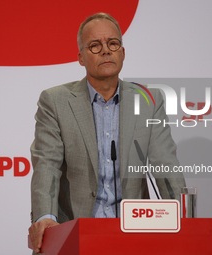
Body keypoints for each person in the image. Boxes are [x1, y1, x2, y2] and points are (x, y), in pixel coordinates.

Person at [29, 12, 186, 254]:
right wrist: (45, 217)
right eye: (95, 45)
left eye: (113, 43)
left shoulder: (148, 100)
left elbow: (166, 165)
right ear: (80, 57)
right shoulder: (56, 101)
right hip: (74, 230)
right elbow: (46, 165)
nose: (106, 50)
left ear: (122, 52)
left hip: (133, 233)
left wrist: (183, 220)